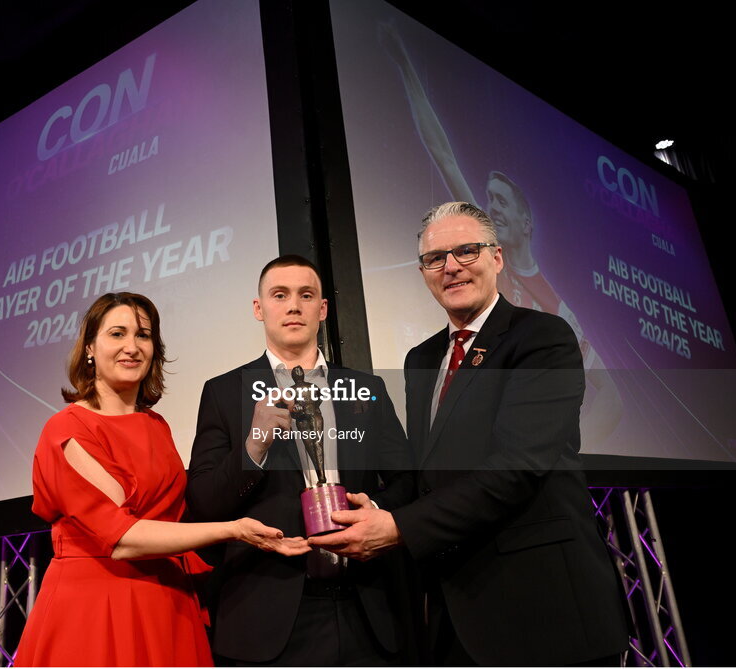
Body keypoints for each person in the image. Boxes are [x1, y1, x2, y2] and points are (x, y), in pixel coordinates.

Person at [311, 203, 629, 665]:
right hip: (457, 611)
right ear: (423, 272)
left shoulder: (542, 337)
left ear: (496, 258)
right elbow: (430, 474)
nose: (452, 267)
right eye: (436, 258)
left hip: (544, 608)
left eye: (466, 251)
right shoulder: (421, 360)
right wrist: (376, 508)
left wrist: (397, 527)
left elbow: (515, 470)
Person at [14, 292, 309, 667]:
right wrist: (233, 530)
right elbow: (121, 538)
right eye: (117, 334)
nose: (132, 347)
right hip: (98, 607)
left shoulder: (156, 426)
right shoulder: (67, 430)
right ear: (89, 347)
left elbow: (182, 513)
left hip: (168, 601)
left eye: (144, 335)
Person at [379, 24, 623, 444]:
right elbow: (442, 153)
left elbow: (612, 400)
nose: (491, 207)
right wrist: (406, 68)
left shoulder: (556, 310)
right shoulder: (428, 352)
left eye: (501, 202)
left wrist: (561, 455)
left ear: (526, 223)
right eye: (487, 200)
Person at [186, 256, 414, 665]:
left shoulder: (367, 389)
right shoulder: (224, 392)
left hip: (369, 611)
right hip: (269, 618)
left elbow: (407, 482)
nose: (294, 306)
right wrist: (255, 445)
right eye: (280, 295)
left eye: (305, 295)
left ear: (322, 309)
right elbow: (204, 504)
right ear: (259, 309)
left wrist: (375, 512)